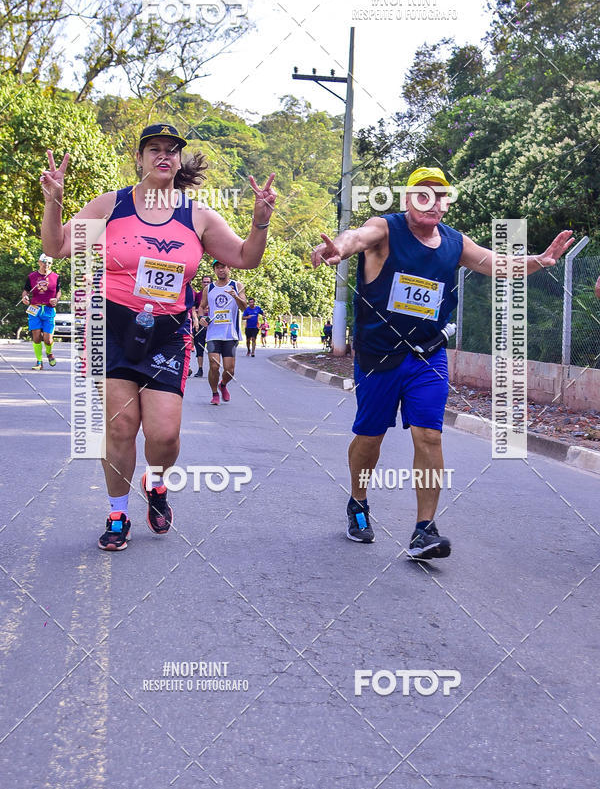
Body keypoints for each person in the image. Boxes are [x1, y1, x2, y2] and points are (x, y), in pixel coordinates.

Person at [312, 165, 573, 558]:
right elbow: (357, 237)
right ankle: (359, 503)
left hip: (427, 354)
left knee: (429, 435)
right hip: (379, 355)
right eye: (423, 193)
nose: (432, 201)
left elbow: (497, 264)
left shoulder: (454, 242)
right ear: (407, 199)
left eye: (440, 194)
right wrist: (340, 247)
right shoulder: (385, 228)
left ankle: (424, 530)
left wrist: (539, 260)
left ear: (447, 202)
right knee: (370, 438)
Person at [40, 124, 276, 551]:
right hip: (113, 325)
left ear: (179, 160)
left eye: (172, 150)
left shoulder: (198, 215)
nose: (163, 156)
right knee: (121, 426)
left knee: (164, 435)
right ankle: (117, 513)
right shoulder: (113, 204)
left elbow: (245, 257)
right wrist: (54, 200)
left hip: (168, 333)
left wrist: (260, 223)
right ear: (141, 158)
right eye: (154, 149)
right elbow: (56, 246)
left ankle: (156, 483)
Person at [199, 260, 247, 404]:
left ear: (229, 268)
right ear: (214, 270)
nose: (221, 270)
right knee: (214, 366)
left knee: (229, 370)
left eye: (223, 267)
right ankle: (214, 394)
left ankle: (223, 384)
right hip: (213, 333)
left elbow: (244, 307)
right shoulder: (209, 288)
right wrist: (202, 318)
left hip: (230, 334)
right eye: (218, 268)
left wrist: (235, 296)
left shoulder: (237, 286)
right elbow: (202, 307)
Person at [21, 253, 61, 369]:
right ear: (39, 262)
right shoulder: (32, 276)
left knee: (48, 340)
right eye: (44, 262)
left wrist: (56, 299)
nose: (46, 264)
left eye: (49, 262)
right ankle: (39, 362)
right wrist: (25, 297)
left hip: (48, 309)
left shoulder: (55, 277)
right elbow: (26, 291)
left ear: (51, 264)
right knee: (36, 337)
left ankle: (49, 353)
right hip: (35, 309)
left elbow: (58, 291)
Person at [192, 274, 211, 376]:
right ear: (201, 283)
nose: (206, 284)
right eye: (204, 282)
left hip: (213, 324)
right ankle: (200, 369)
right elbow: (193, 309)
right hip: (200, 324)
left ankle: (213, 369)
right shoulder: (197, 295)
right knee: (199, 347)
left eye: (208, 282)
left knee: (213, 348)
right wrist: (196, 320)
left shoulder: (215, 295)